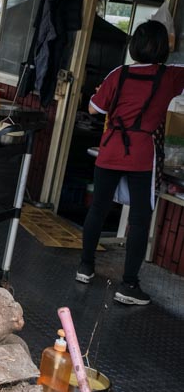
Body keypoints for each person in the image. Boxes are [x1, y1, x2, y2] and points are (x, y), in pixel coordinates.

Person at [76, 20, 184, 306]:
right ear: (164, 48)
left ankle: (85, 267)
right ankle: (129, 285)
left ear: (134, 44)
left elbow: (94, 108)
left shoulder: (118, 73)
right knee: (139, 218)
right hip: (140, 153)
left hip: (110, 148)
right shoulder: (170, 76)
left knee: (98, 208)